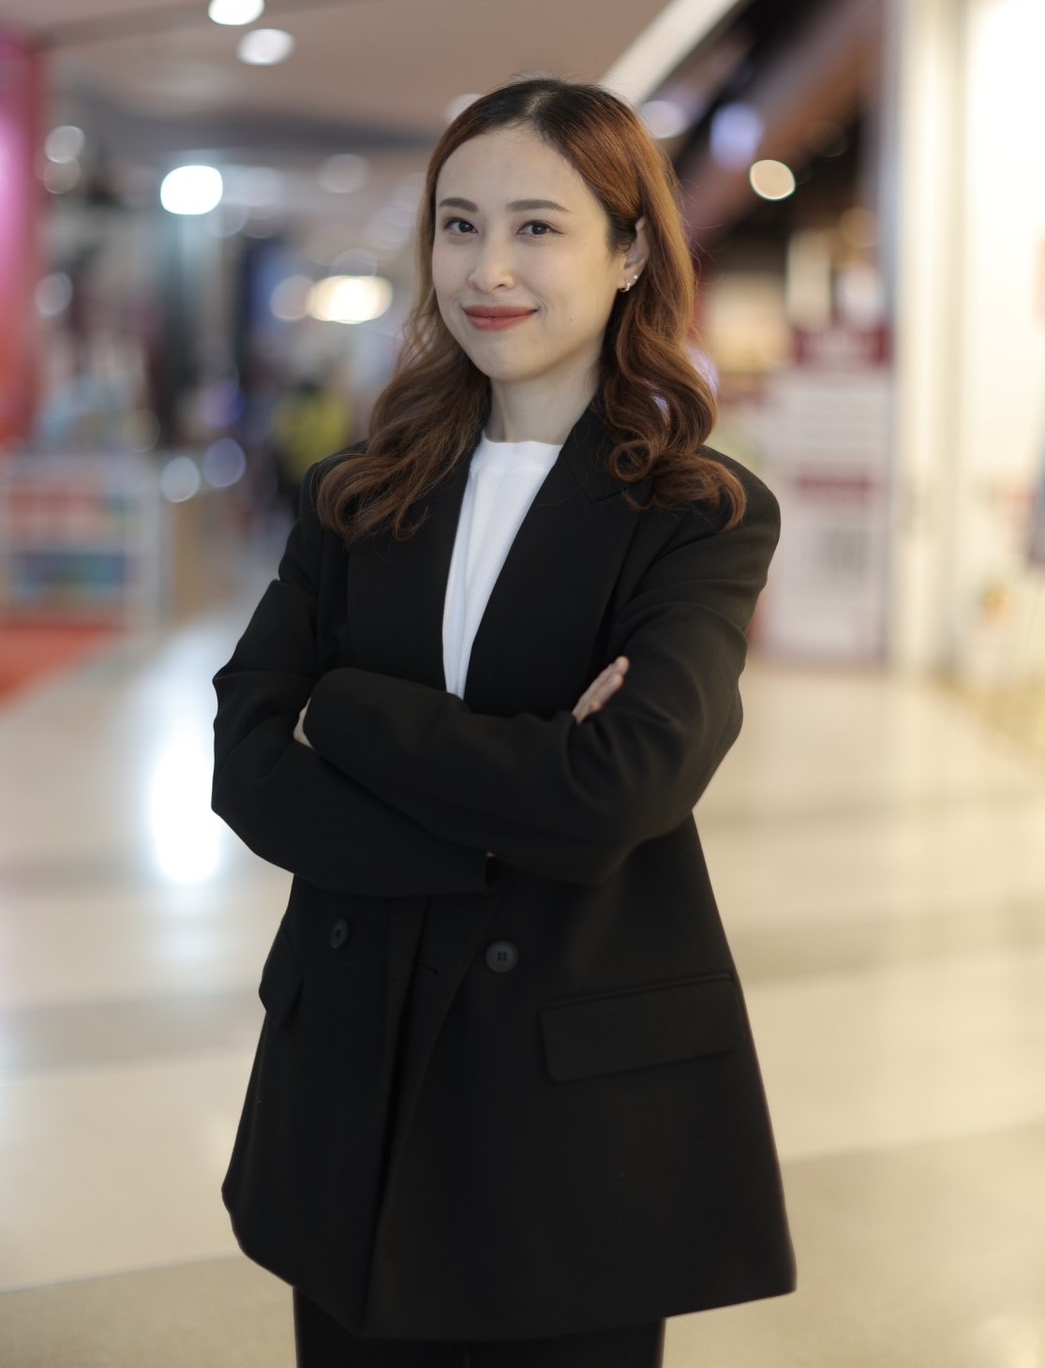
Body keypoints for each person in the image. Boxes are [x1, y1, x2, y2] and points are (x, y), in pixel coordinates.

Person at [212, 78, 795, 1368]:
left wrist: (347, 712)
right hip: (352, 1064)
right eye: (459, 224)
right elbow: (245, 761)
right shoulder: (356, 493)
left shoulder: (698, 514)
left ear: (629, 250)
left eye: (538, 227)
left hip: (566, 1099)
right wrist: (507, 815)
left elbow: (621, 788)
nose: (489, 269)